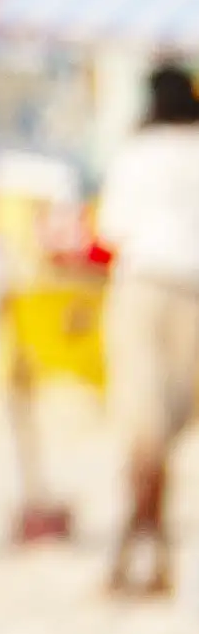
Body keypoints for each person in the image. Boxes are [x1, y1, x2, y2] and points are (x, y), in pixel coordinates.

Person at [99, 61, 199, 596]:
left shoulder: (137, 153)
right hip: (195, 293)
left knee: (144, 429)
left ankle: (135, 551)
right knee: (168, 432)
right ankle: (147, 555)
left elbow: (112, 228)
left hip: (145, 290)